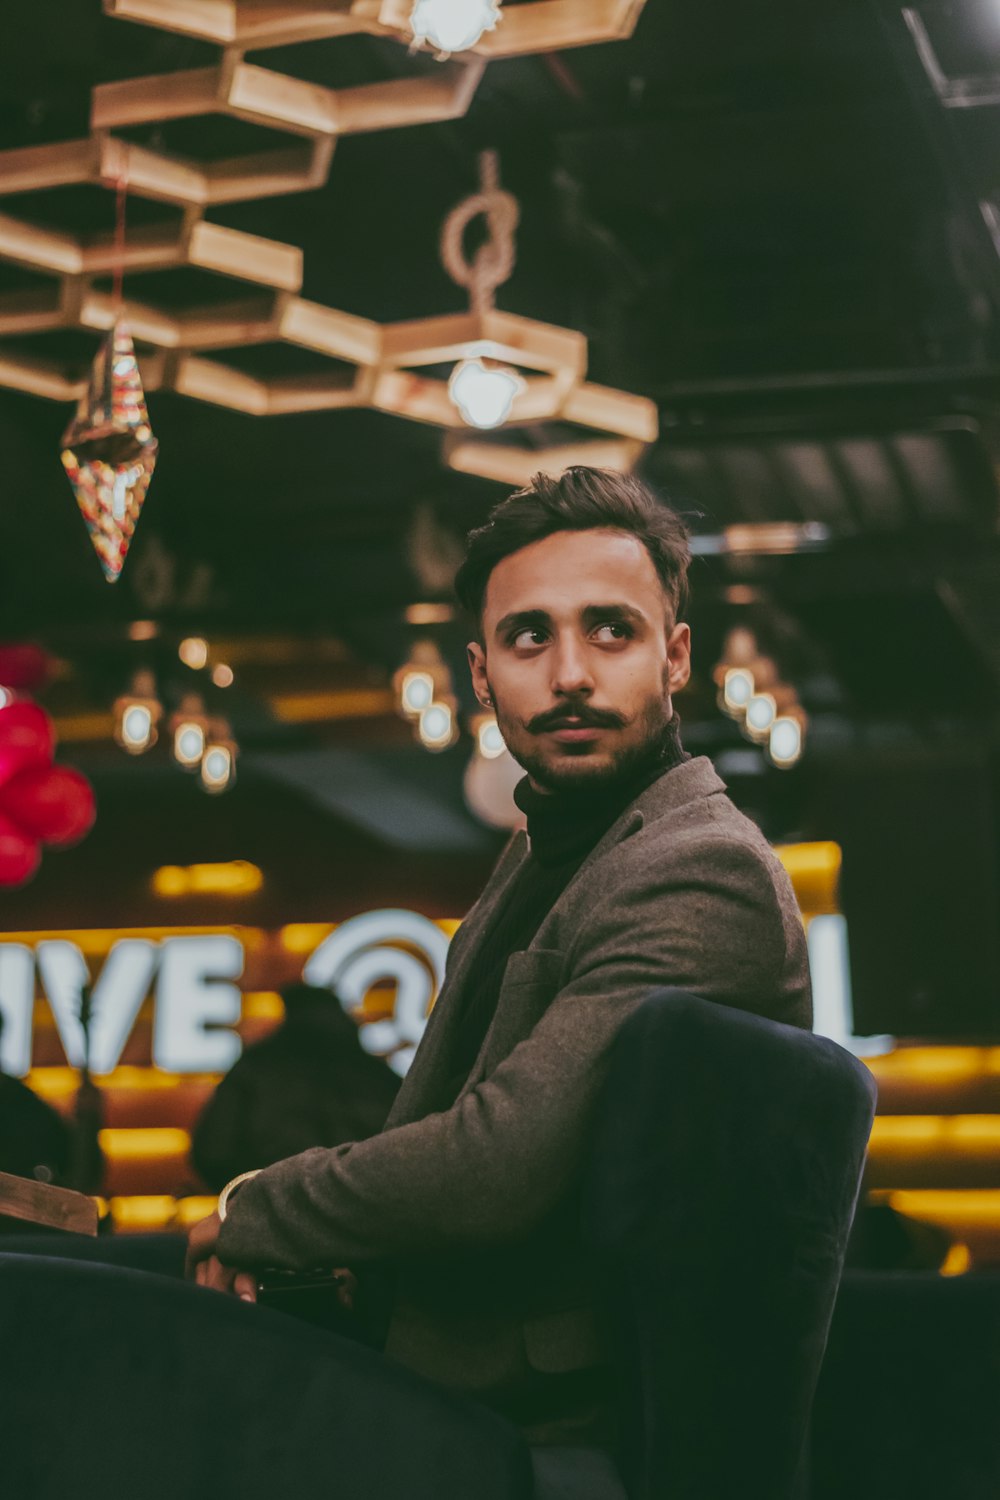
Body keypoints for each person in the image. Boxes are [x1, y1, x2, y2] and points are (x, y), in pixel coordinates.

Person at [185, 466, 813, 1491]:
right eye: (531, 638)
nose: (569, 673)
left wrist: (261, 1206)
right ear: (482, 676)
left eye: (611, 630)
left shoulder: (700, 866)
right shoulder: (551, 849)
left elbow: (498, 1164)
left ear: (676, 656)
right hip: (457, 1384)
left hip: (572, 1434)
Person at [190, 983, 400, 1193]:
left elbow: (214, 1151)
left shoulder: (256, 1066)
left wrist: (253, 1196)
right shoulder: (378, 1075)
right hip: (361, 1213)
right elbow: (404, 1154)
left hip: (272, 1212)